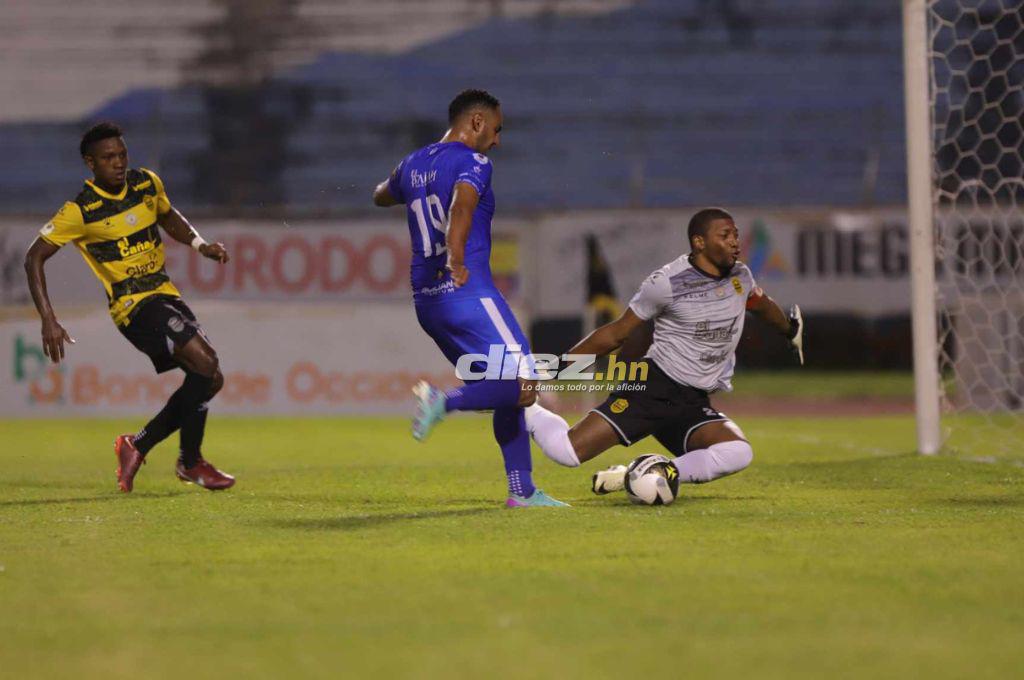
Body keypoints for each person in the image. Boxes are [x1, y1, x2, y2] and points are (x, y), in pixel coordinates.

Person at [372, 89, 567, 508]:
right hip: (468, 291)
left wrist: (405, 185)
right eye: (496, 130)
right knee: (525, 382)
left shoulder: (411, 163)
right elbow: (462, 205)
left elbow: (379, 194)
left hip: (428, 302)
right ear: (476, 122)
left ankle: (522, 492)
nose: (497, 141)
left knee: (504, 386)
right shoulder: (474, 162)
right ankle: (442, 401)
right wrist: (457, 256)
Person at [522, 208, 804, 494]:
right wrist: (550, 371)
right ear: (699, 242)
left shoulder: (740, 276)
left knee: (738, 452)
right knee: (567, 452)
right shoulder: (666, 282)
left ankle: (643, 473)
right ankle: (524, 407)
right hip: (652, 388)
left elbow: (760, 304)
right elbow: (615, 334)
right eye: (725, 235)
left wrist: (789, 330)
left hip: (691, 400)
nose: (735, 242)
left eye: (736, 235)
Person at [24, 122, 236, 493]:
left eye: (122, 154)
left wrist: (201, 245)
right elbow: (33, 258)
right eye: (108, 158)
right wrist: (48, 319)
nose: (119, 163)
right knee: (206, 363)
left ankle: (136, 444)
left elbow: (167, 215)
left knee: (210, 379)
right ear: (90, 163)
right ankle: (191, 461)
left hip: (165, 294)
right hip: (132, 305)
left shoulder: (146, 183)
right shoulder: (80, 210)